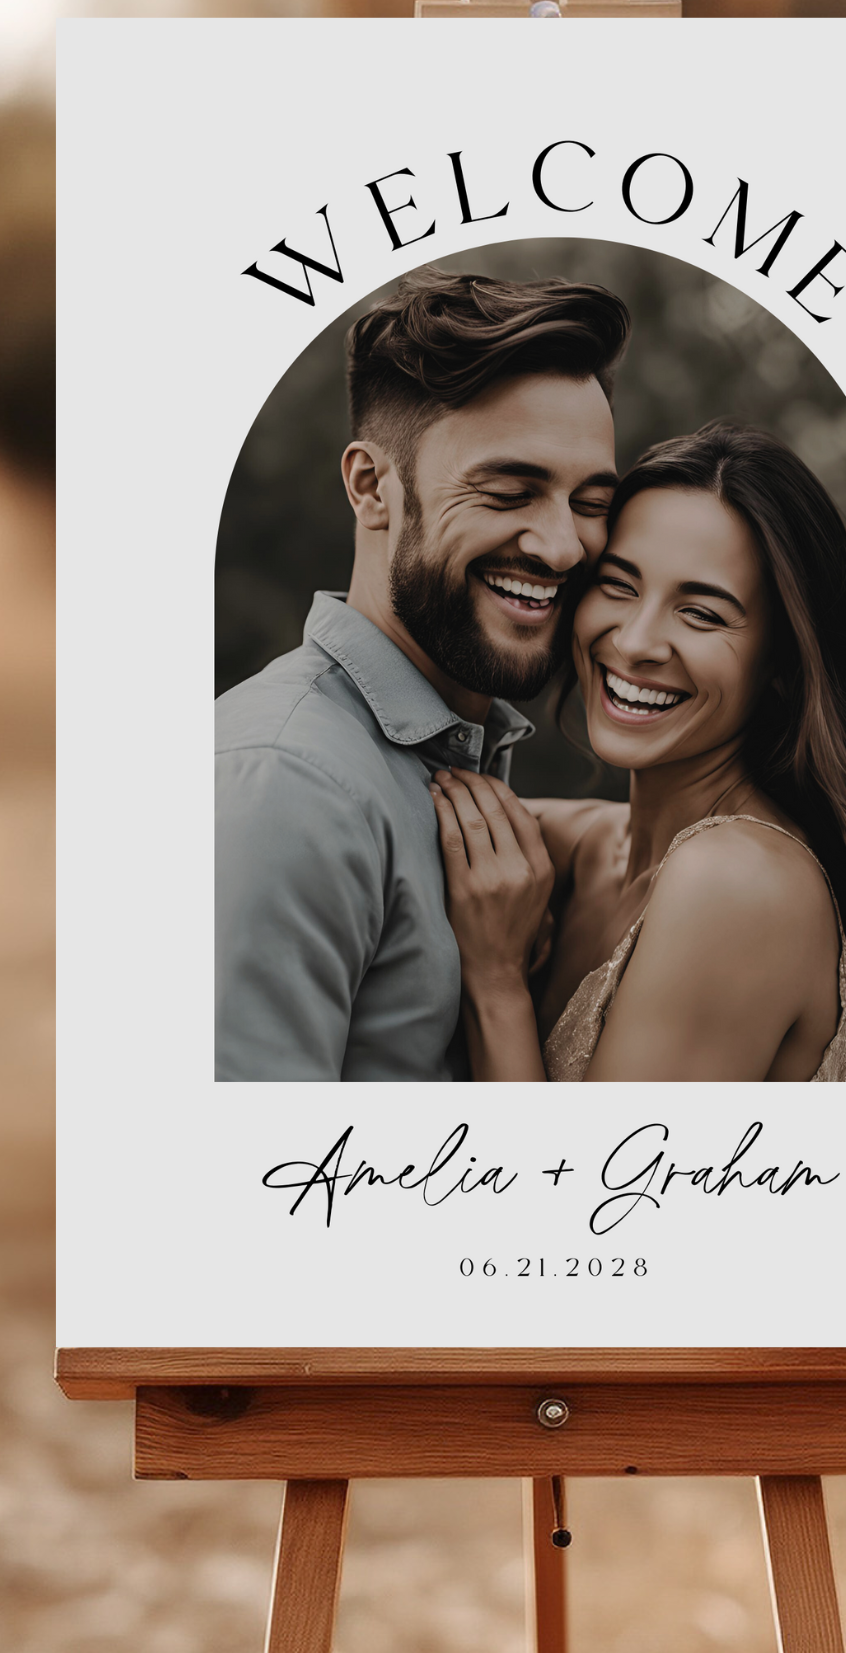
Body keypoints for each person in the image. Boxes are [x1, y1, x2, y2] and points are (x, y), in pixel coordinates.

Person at [215, 269, 629, 1080]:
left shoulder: (449, 765)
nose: (562, 547)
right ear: (372, 487)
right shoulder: (285, 788)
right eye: (510, 490)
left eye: (589, 501)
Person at [429, 422, 846, 1081]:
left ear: (784, 663)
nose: (636, 641)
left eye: (702, 613)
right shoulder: (579, 848)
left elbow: (600, 1185)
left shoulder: (741, 883)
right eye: (619, 586)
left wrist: (495, 983)